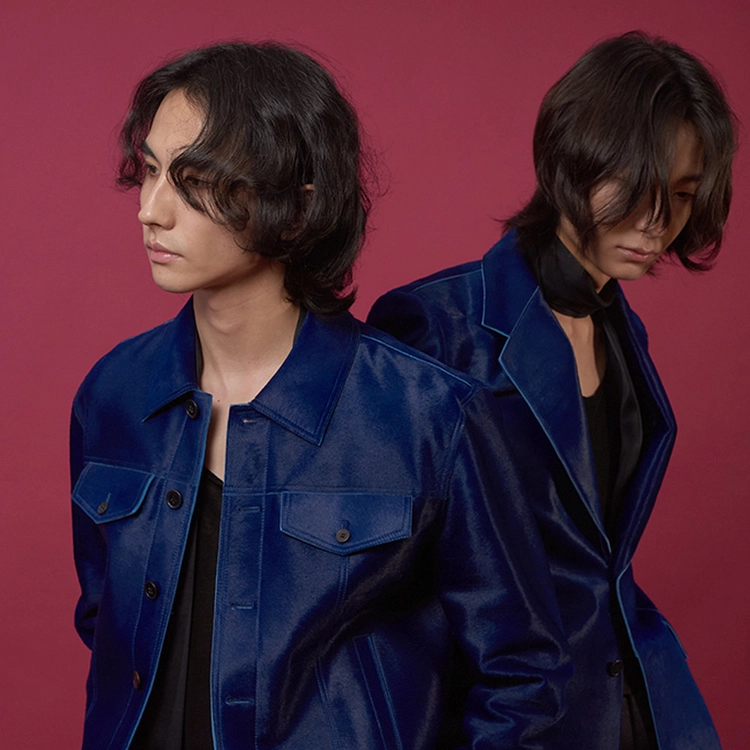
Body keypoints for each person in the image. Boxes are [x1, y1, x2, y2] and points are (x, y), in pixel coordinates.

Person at [70, 42, 572, 750]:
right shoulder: (112, 395)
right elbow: (107, 623)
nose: (151, 211)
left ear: (297, 206)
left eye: (196, 181)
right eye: (150, 171)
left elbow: (522, 676)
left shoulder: (431, 415)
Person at [369, 31, 736, 750]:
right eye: (636, 186)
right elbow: (392, 587)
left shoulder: (623, 333)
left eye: (682, 197)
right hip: (510, 718)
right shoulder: (435, 326)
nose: (656, 223)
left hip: (637, 703)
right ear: (572, 159)